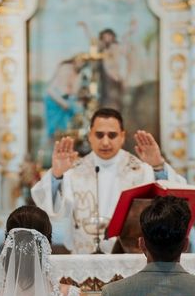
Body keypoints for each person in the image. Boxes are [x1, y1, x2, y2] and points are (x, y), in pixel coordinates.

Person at [31, 107, 186, 253]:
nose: (105, 142)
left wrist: (158, 167)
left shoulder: (141, 169)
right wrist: (57, 176)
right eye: (99, 135)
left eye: (112, 135)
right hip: (85, 256)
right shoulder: (74, 170)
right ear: (90, 135)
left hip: (129, 256)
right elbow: (53, 211)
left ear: (122, 136)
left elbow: (175, 203)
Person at [44, 54, 87, 138]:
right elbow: (50, 90)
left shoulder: (77, 73)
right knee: (56, 132)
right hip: (56, 101)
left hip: (65, 101)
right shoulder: (66, 67)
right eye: (80, 60)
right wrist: (63, 103)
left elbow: (74, 91)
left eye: (83, 62)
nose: (81, 63)